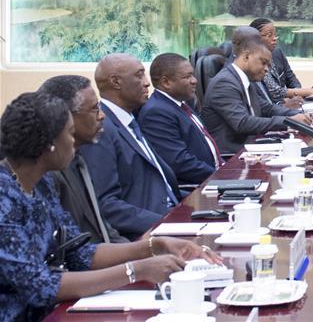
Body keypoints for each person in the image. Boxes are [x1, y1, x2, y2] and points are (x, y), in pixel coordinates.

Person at [0, 92, 221, 321]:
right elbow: (41, 286)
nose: (74, 140)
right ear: (49, 145)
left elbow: (80, 253)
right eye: (69, 132)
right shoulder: (4, 200)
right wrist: (137, 270)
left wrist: (155, 245)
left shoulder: (43, 183)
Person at [79, 54, 183, 239]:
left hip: (171, 215)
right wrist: (167, 221)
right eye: (139, 75)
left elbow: (157, 183)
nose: (147, 83)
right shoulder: (101, 129)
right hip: (147, 234)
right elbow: (106, 205)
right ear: (116, 82)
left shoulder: (129, 120)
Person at [38, 76, 128, 244]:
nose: (102, 116)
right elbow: (73, 250)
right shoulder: (49, 173)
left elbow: (105, 231)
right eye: (95, 109)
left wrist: (145, 250)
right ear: (64, 116)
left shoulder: (77, 159)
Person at [202, 36, 312, 155]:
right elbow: (243, 123)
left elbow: (266, 108)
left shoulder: (244, 79)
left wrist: (298, 115)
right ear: (246, 56)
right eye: (263, 63)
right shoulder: (225, 83)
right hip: (233, 156)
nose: (266, 70)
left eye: (268, 65)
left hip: (252, 146)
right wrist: (289, 121)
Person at [139, 53, 220, 186]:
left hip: (212, 177)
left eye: (192, 75)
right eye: (187, 77)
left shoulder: (180, 104)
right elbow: (180, 163)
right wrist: (221, 175)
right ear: (166, 82)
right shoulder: (156, 112)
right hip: (195, 188)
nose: (195, 80)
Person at [249, 17, 313, 104]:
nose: (274, 38)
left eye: (275, 35)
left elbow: (291, 79)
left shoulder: (277, 53)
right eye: (269, 35)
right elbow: (276, 91)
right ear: (255, 38)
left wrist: (298, 96)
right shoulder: (254, 62)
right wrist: (311, 91)